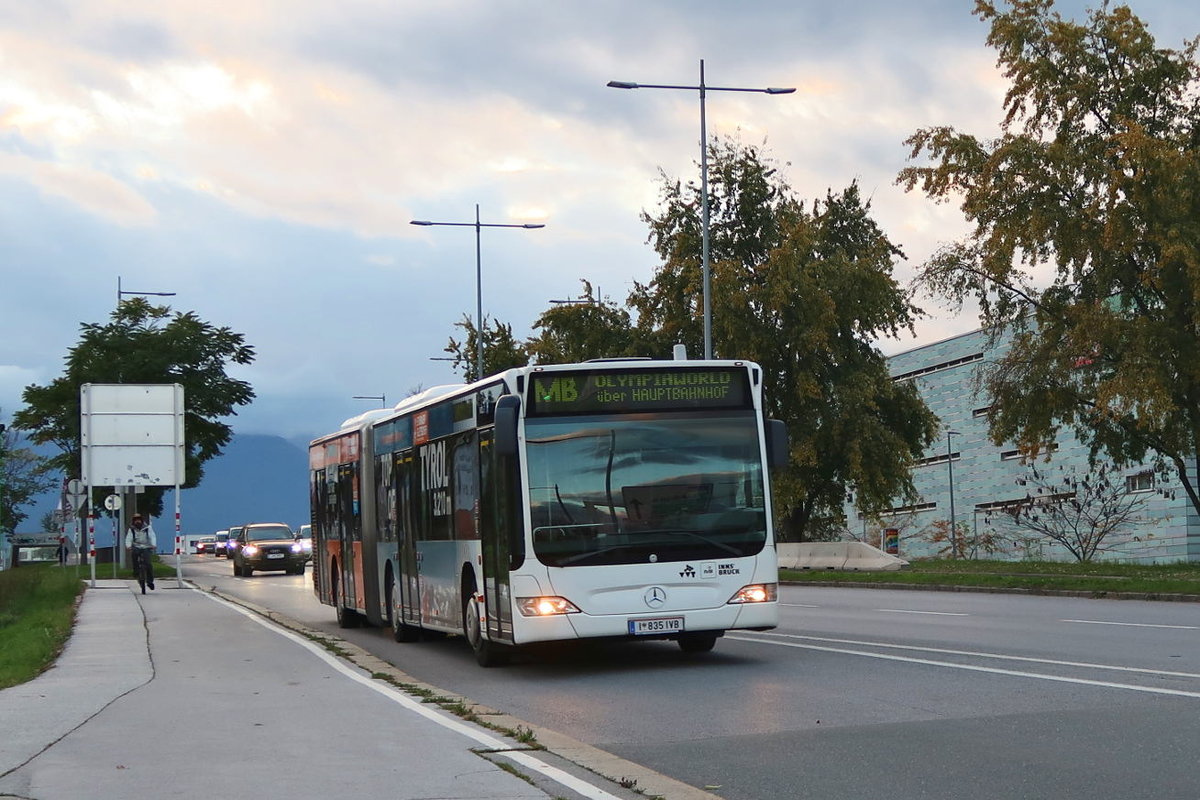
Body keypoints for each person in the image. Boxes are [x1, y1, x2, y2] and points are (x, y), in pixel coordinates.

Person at [124, 513, 157, 592]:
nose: (137, 521)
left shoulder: (147, 528)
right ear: (133, 521)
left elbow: (152, 536)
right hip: (137, 546)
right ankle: (136, 571)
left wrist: (153, 544)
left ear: (141, 520)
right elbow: (129, 538)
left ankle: (150, 581)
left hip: (146, 546)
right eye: (136, 520)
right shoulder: (131, 529)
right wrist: (128, 546)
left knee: (148, 564)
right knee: (134, 555)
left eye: (139, 520)